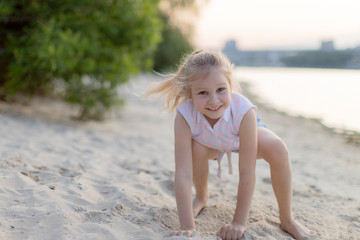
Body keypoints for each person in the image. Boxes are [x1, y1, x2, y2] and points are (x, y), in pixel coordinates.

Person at [145, 50, 312, 239]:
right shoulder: (184, 116)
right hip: (209, 142)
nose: (214, 100)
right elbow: (182, 173)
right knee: (196, 149)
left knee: (278, 148)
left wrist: (238, 223)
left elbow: (247, 171)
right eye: (202, 93)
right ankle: (201, 197)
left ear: (230, 85)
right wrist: (187, 226)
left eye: (221, 90)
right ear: (189, 94)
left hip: (240, 137)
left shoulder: (243, 110)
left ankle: (287, 219)